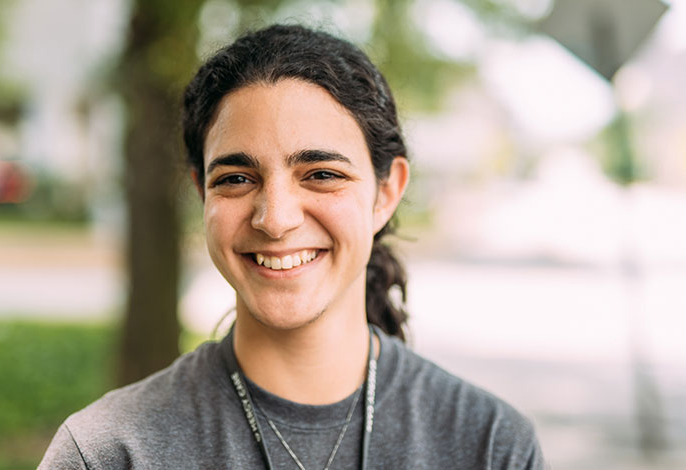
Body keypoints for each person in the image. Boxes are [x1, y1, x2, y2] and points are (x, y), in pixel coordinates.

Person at [38, 24, 544, 469]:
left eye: (321, 174)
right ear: (202, 192)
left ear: (386, 193)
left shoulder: (489, 445)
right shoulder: (109, 453)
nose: (276, 219)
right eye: (236, 178)